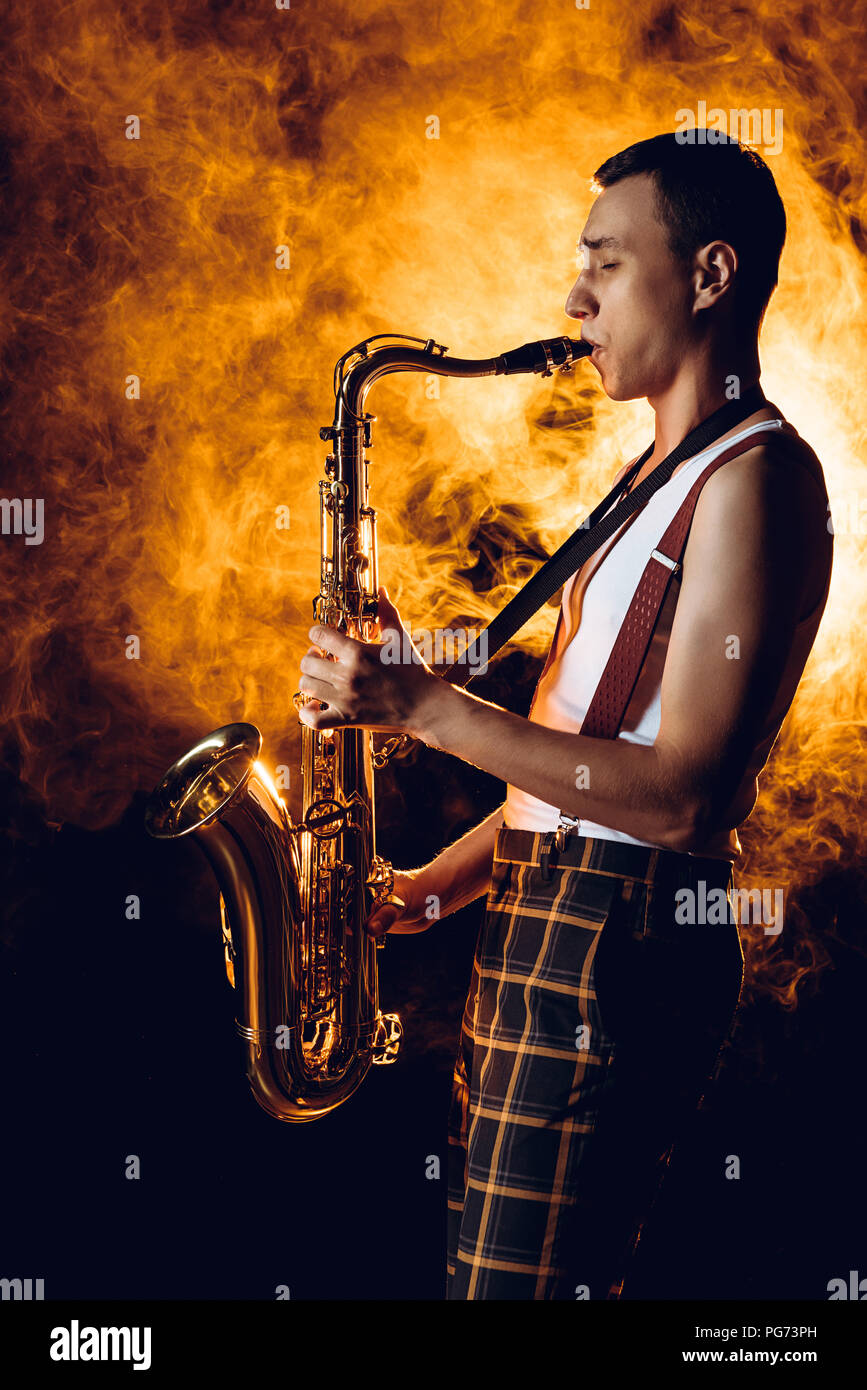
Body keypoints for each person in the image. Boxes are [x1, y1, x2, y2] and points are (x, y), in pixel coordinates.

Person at [296, 132, 833, 1300]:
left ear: (709, 276)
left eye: (604, 263)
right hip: (566, 923)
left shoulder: (754, 481)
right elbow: (587, 777)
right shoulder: (662, 476)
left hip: (615, 944)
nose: (571, 299)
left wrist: (424, 706)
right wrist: (435, 882)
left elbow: (682, 797)